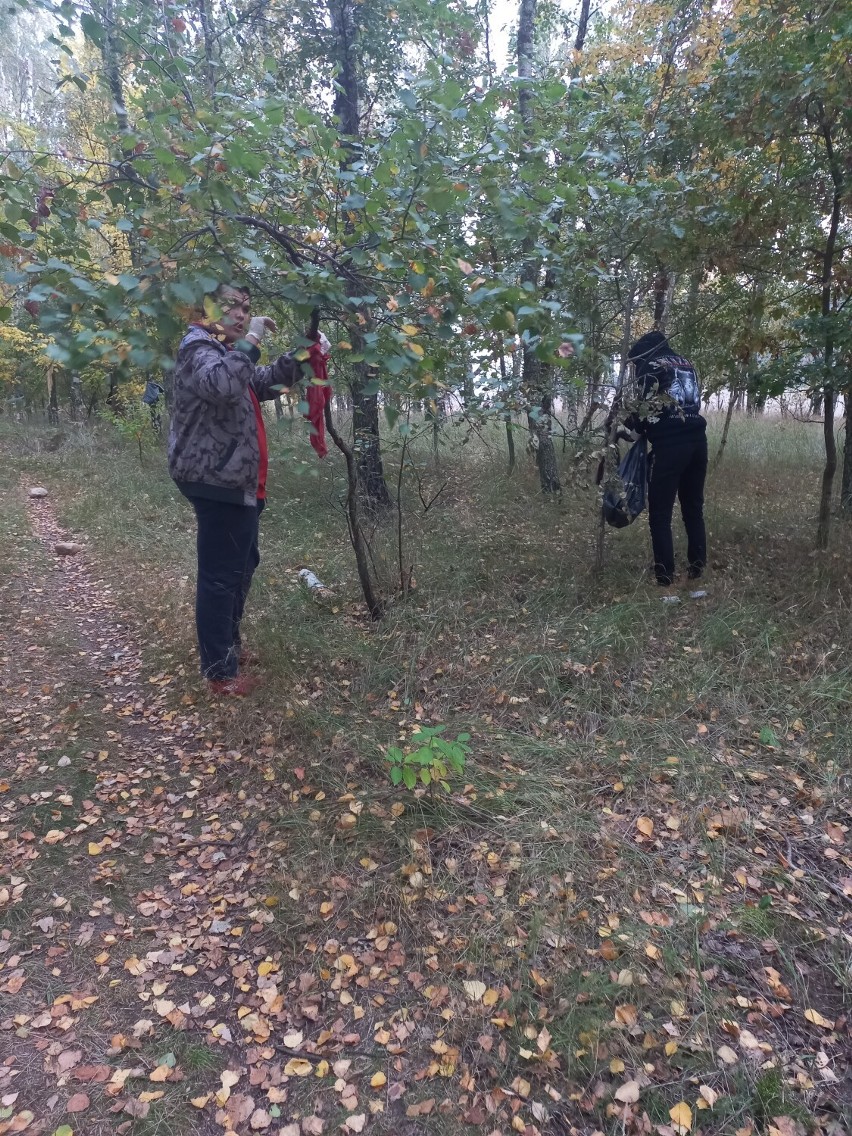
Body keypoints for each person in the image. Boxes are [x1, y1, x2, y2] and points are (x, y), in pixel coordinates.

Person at [167, 283, 300, 695]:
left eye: (246, 308)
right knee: (222, 575)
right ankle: (220, 673)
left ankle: (228, 648)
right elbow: (222, 385)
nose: (241, 315)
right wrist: (254, 339)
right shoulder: (197, 347)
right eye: (231, 307)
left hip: (238, 481)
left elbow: (260, 384)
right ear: (203, 308)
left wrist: (299, 356)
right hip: (215, 480)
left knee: (242, 565)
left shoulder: (226, 353)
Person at [626, 330, 707, 587]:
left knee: (660, 514)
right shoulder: (686, 363)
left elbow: (644, 409)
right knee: (693, 509)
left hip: (670, 447)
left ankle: (665, 578)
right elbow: (692, 402)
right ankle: (697, 569)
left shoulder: (649, 365)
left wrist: (633, 428)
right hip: (698, 443)